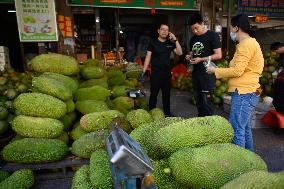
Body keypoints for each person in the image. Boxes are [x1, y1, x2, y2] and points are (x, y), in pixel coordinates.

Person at [206, 14, 264, 151]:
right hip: (249, 91)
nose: (231, 31)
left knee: (237, 129)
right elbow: (238, 69)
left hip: (244, 92)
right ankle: (250, 160)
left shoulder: (246, 45)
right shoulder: (250, 43)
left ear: (237, 28)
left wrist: (215, 71)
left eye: (231, 27)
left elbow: (237, 71)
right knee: (244, 128)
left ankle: (239, 166)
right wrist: (218, 69)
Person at [141, 23, 182, 117]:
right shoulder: (153, 42)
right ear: (158, 31)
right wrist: (144, 70)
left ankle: (167, 113)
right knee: (153, 94)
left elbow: (179, 53)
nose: (164, 31)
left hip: (167, 73)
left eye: (166, 30)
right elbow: (148, 56)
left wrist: (175, 40)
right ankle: (151, 113)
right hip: (155, 73)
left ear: (169, 32)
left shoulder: (170, 43)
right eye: (162, 29)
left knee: (166, 95)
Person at [185, 13, 222, 117]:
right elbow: (193, 53)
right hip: (196, 74)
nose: (195, 31)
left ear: (202, 23)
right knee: (198, 100)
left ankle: (209, 126)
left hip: (208, 74)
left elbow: (218, 55)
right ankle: (201, 124)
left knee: (207, 101)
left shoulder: (212, 35)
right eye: (192, 29)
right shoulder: (193, 39)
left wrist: (201, 59)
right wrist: (189, 56)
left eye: (196, 28)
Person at [270, 42, 284, 114]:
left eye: (276, 51)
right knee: (277, 93)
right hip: (280, 78)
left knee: (280, 95)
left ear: (279, 48)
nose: (276, 53)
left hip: (282, 79)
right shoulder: (281, 55)